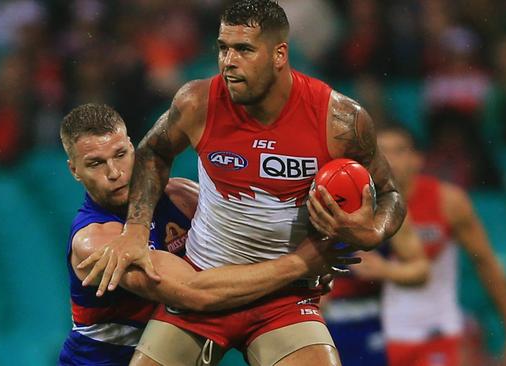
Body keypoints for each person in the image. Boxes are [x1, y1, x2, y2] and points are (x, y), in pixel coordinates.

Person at [80, 1, 406, 365]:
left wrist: (373, 231)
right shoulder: (198, 101)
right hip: (204, 283)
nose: (228, 61)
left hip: (284, 300)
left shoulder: (340, 120)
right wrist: (136, 230)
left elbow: (390, 192)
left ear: (279, 54)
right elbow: (153, 153)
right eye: (223, 47)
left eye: (244, 50)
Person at [58, 104, 353, 365]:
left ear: (134, 147)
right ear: (74, 170)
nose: (115, 172)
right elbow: (194, 293)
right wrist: (301, 263)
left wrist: (308, 271)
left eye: (120, 154)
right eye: (96, 163)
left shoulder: (180, 195)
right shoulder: (94, 241)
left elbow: (242, 248)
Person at [377, 125, 506, 366]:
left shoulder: (448, 201)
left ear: (418, 159)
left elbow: (487, 264)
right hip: (377, 335)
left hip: (435, 334)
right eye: (381, 151)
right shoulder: (362, 205)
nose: (389, 159)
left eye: (398, 150)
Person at [322, 216, 429, 366]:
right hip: (320, 325)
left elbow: (422, 270)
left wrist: (385, 270)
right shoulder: (309, 204)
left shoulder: (388, 207)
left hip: (370, 328)